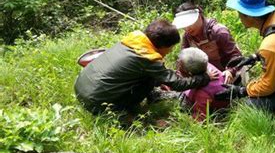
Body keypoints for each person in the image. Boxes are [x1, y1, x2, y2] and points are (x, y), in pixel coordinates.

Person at [74, 19, 215, 114]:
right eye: (171, 48)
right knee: (147, 80)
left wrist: (161, 79)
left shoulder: (133, 42)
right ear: (162, 45)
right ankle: (127, 114)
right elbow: (178, 84)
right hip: (96, 104)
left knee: (149, 77)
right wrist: (204, 78)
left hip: (81, 90)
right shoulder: (146, 58)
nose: (171, 51)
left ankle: (150, 95)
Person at [172, 2, 243, 84]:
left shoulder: (219, 32)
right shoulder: (187, 37)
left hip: (227, 75)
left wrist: (231, 71)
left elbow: (236, 56)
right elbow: (183, 60)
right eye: (184, 26)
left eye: (190, 24)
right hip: (205, 76)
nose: (187, 28)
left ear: (199, 17)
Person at [178, 47, 230, 120]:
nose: (178, 64)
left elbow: (200, 118)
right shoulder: (204, 65)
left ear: (188, 72)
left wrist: (179, 120)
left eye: (180, 64)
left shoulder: (202, 94)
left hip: (216, 110)